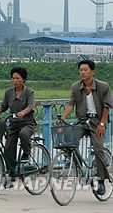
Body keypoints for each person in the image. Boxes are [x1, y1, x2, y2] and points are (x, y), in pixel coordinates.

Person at [57, 59, 112, 196]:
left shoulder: (103, 86)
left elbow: (107, 106)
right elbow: (70, 104)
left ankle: (101, 181)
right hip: (82, 121)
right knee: (68, 141)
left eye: (85, 70)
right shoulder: (75, 87)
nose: (82, 72)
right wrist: (63, 118)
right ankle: (79, 168)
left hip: (97, 121)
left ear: (92, 71)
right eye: (81, 70)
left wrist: (102, 124)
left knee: (98, 149)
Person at [0, 66, 36, 184]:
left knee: (24, 134)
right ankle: (11, 175)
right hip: (13, 124)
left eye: (18, 78)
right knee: (8, 149)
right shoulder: (8, 93)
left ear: (24, 80)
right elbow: (3, 106)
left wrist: (22, 112)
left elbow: (31, 106)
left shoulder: (29, 92)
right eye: (13, 78)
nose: (15, 81)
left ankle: (26, 152)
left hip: (27, 123)